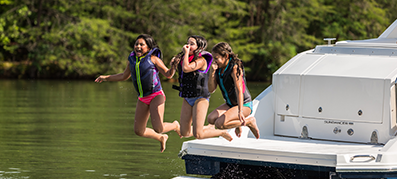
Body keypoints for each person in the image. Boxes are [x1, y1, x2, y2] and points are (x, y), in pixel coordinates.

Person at [95, 34, 180, 152]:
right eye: (136, 44)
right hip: (142, 97)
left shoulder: (154, 59)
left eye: (142, 45)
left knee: (158, 128)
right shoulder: (132, 60)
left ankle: (175, 125)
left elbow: (168, 74)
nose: (138, 46)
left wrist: (174, 65)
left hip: (156, 95)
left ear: (149, 48)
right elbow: (124, 76)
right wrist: (106, 77)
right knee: (139, 131)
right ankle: (161, 138)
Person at [172, 35, 232, 141]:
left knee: (198, 135)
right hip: (187, 97)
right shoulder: (185, 59)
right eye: (187, 43)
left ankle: (221, 132)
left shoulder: (202, 60)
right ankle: (208, 127)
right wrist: (174, 63)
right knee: (184, 132)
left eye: (192, 44)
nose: (188, 46)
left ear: (199, 47)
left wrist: (185, 53)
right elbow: (180, 69)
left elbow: (186, 68)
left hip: (200, 98)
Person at [207, 42, 260, 139]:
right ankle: (238, 124)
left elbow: (239, 90)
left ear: (226, 56)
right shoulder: (218, 68)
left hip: (244, 104)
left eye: (216, 58)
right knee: (211, 119)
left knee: (220, 124)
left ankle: (249, 122)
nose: (214, 61)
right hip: (230, 103)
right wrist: (212, 72)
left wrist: (240, 112)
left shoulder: (235, 67)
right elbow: (211, 90)